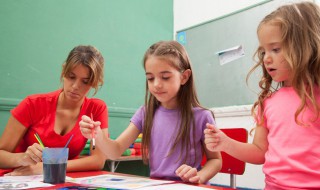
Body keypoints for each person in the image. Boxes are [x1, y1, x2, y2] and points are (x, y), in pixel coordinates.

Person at [204, 2, 320, 189]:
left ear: (304, 47)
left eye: (275, 49)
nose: (266, 58)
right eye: (263, 51)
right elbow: (259, 152)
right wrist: (225, 144)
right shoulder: (268, 103)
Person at [79, 40, 222, 184]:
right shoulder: (145, 113)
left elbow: (215, 160)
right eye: (150, 78)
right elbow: (115, 151)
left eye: (165, 77)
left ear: (184, 77)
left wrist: (200, 176)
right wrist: (98, 136)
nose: (157, 84)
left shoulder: (202, 117)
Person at [0, 45, 108, 176]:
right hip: (18, 178)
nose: (75, 86)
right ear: (64, 71)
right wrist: (21, 158)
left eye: (85, 82)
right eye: (71, 77)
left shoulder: (96, 109)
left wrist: (49, 167)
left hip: (56, 181)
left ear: (95, 82)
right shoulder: (32, 104)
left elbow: (98, 160)